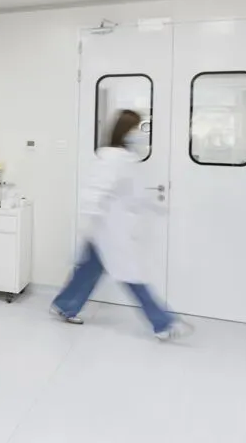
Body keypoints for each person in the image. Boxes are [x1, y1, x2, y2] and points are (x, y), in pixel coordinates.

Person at [51, 109, 189, 340]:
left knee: (89, 271)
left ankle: (65, 305)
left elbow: (132, 194)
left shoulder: (126, 158)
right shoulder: (112, 158)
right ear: (126, 131)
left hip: (111, 229)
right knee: (132, 275)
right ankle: (163, 323)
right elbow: (95, 191)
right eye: (137, 128)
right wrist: (87, 222)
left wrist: (157, 207)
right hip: (108, 229)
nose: (141, 133)